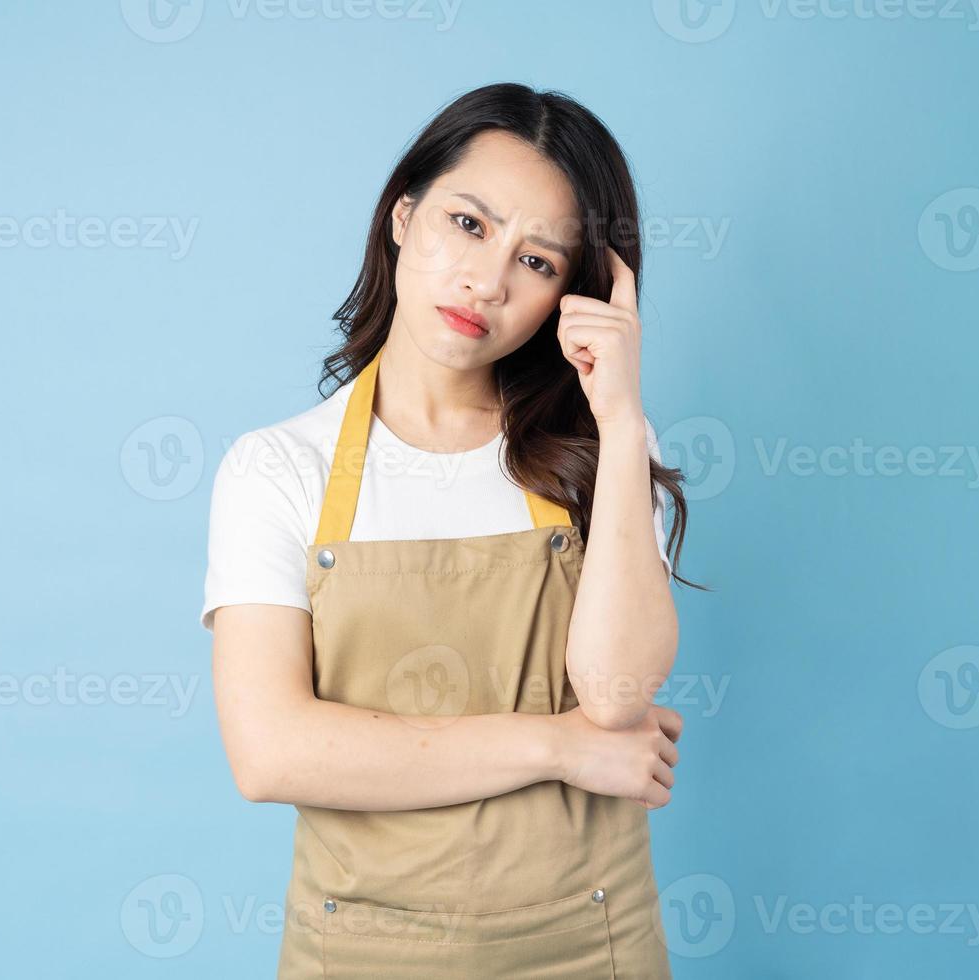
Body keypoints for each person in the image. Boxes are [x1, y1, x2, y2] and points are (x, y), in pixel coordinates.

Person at [202, 81, 698, 978]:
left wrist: (623, 425)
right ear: (403, 216)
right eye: (469, 224)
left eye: (538, 262)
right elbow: (273, 752)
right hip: (359, 952)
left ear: (571, 298)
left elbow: (618, 696)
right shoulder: (276, 470)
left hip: (589, 945)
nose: (488, 280)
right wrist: (558, 744)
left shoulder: (604, 459)